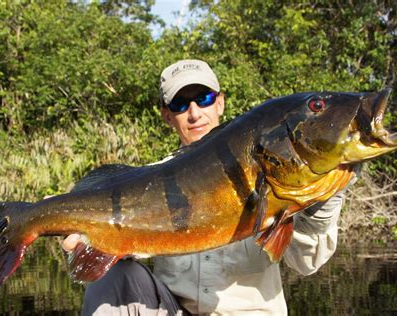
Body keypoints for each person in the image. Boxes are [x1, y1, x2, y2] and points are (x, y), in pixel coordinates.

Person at [63, 59, 348, 315]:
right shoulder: (148, 184)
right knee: (113, 278)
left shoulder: (274, 165)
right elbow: (115, 247)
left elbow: (306, 263)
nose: (195, 113)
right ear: (166, 116)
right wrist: (83, 235)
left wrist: (325, 202)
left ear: (220, 103)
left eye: (204, 98)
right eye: (180, 104)